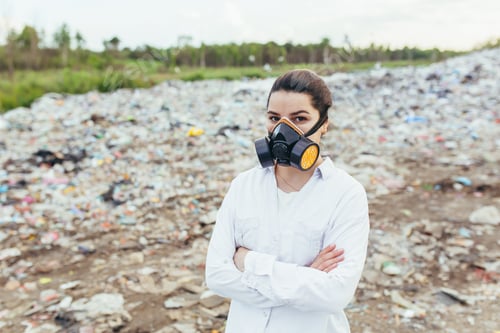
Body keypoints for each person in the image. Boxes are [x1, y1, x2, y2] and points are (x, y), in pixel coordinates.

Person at [205, 69, 370, 333]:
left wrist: (248, 263)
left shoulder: (346, 194)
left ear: (324, 123)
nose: (283, 130)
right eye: (274, 118)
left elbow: (335, 294)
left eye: (300, 118)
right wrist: (305, 278)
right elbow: (216, 276)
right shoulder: (243, 186)